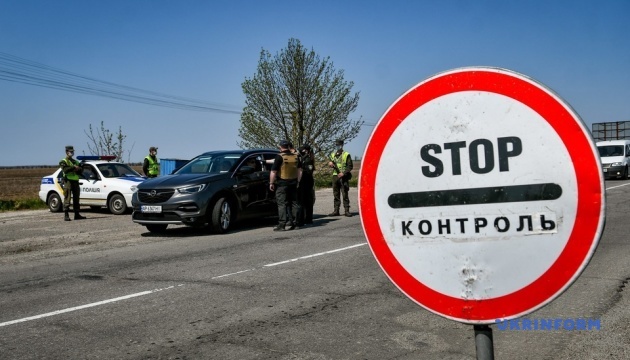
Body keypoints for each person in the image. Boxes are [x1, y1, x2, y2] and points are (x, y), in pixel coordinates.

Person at [269, 139, 302, 231]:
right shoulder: (296, 156)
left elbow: (273, 171)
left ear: (280, 147)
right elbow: (300, 170)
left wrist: (271, 183)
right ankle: (296, 223)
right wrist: (298, 181)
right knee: (294, 203)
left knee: (282, 204)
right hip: (294, 182)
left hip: (282, 183)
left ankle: (282, 224)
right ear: (288, 146)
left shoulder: (279, 157)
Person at [59, 145, 86, 221]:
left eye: (72, 151)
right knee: (67, 198)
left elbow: (80, 170)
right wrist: (74, 168)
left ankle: (77, 214)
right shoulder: (63, 161)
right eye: (70, 151)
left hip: (75, 181)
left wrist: (76, 168)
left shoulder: (75, 161)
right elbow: (65, 170)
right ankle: (66, 215)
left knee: (76, 198)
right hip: (68, 181)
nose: (72, 153)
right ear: (67, 152)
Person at [328, 139, 353, 217]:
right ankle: (336, 210)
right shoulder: (332, 154)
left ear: (342, 145)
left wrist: (343, 173)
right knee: (336, 194)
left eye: (339, 145)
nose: (337, 146)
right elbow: (330, 162)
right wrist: (330, 163)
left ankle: (347, 210)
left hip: (343, 177)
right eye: (336, 145)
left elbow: (350, 166)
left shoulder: (346, 154)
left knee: (345, 194)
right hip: (335, 176)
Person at [297, 144, 315, 226]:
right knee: (305, 201)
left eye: (303, 149)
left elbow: (308, 171)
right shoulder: (304, 158)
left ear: (306, 150)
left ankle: (308, 219)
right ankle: (306, 218)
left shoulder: (308, 159)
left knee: (306, 201)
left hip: (307, 182)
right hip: (305, 182)